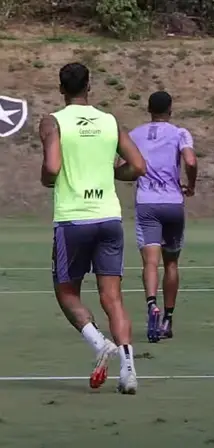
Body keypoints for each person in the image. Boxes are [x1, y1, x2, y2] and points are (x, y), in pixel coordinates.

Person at [40, 62, 147, 393]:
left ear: (61, 89)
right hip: (108, 218)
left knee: (66, 291)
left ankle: (99, 344)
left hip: (74, 219)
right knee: (112, 297)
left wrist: (46, 179)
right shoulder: (110, 122)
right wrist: (114, 173)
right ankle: (129, 371)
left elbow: (52, 168)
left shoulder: (53, 121)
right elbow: (138, 166)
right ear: (90, 87)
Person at [127, 91, 197, 343]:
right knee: (171, 263)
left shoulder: (134, 134)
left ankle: (151, 305)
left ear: (148, 109)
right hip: (173, 203)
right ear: (171, 109)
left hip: (147, 203)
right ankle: (168, 318)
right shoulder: (180, 133)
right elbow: (190, 160)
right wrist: (191, 184)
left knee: (150, 262)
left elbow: (124, 166)